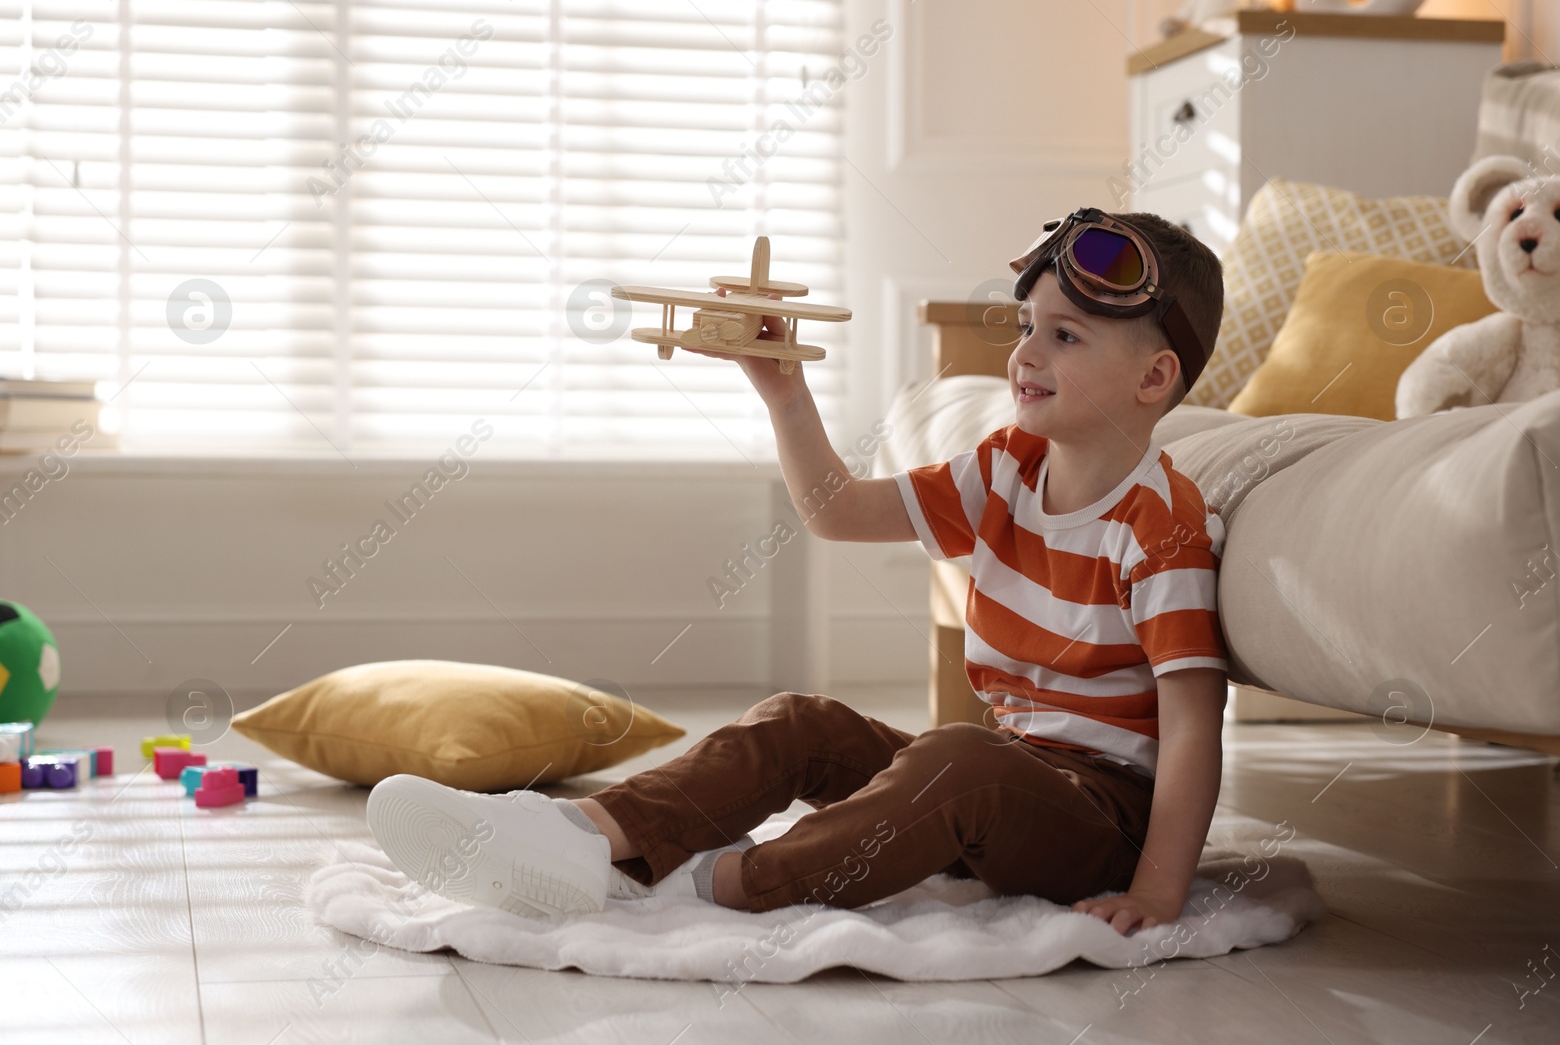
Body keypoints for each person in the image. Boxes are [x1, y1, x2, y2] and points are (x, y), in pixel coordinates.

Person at [366, 208, 1230, 936]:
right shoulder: (1005, 467)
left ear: (1153, 378)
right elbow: (838, 511)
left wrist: (1156, 889)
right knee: (802, 721)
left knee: (958, 757)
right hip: (1002, 771)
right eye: (1026, 328)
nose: (1025, 355)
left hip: (1099, 820)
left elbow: (1192, 728)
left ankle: (727, 885)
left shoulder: (1161, 528)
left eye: (1065, 336)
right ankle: (588, 834)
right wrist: (785, 394)